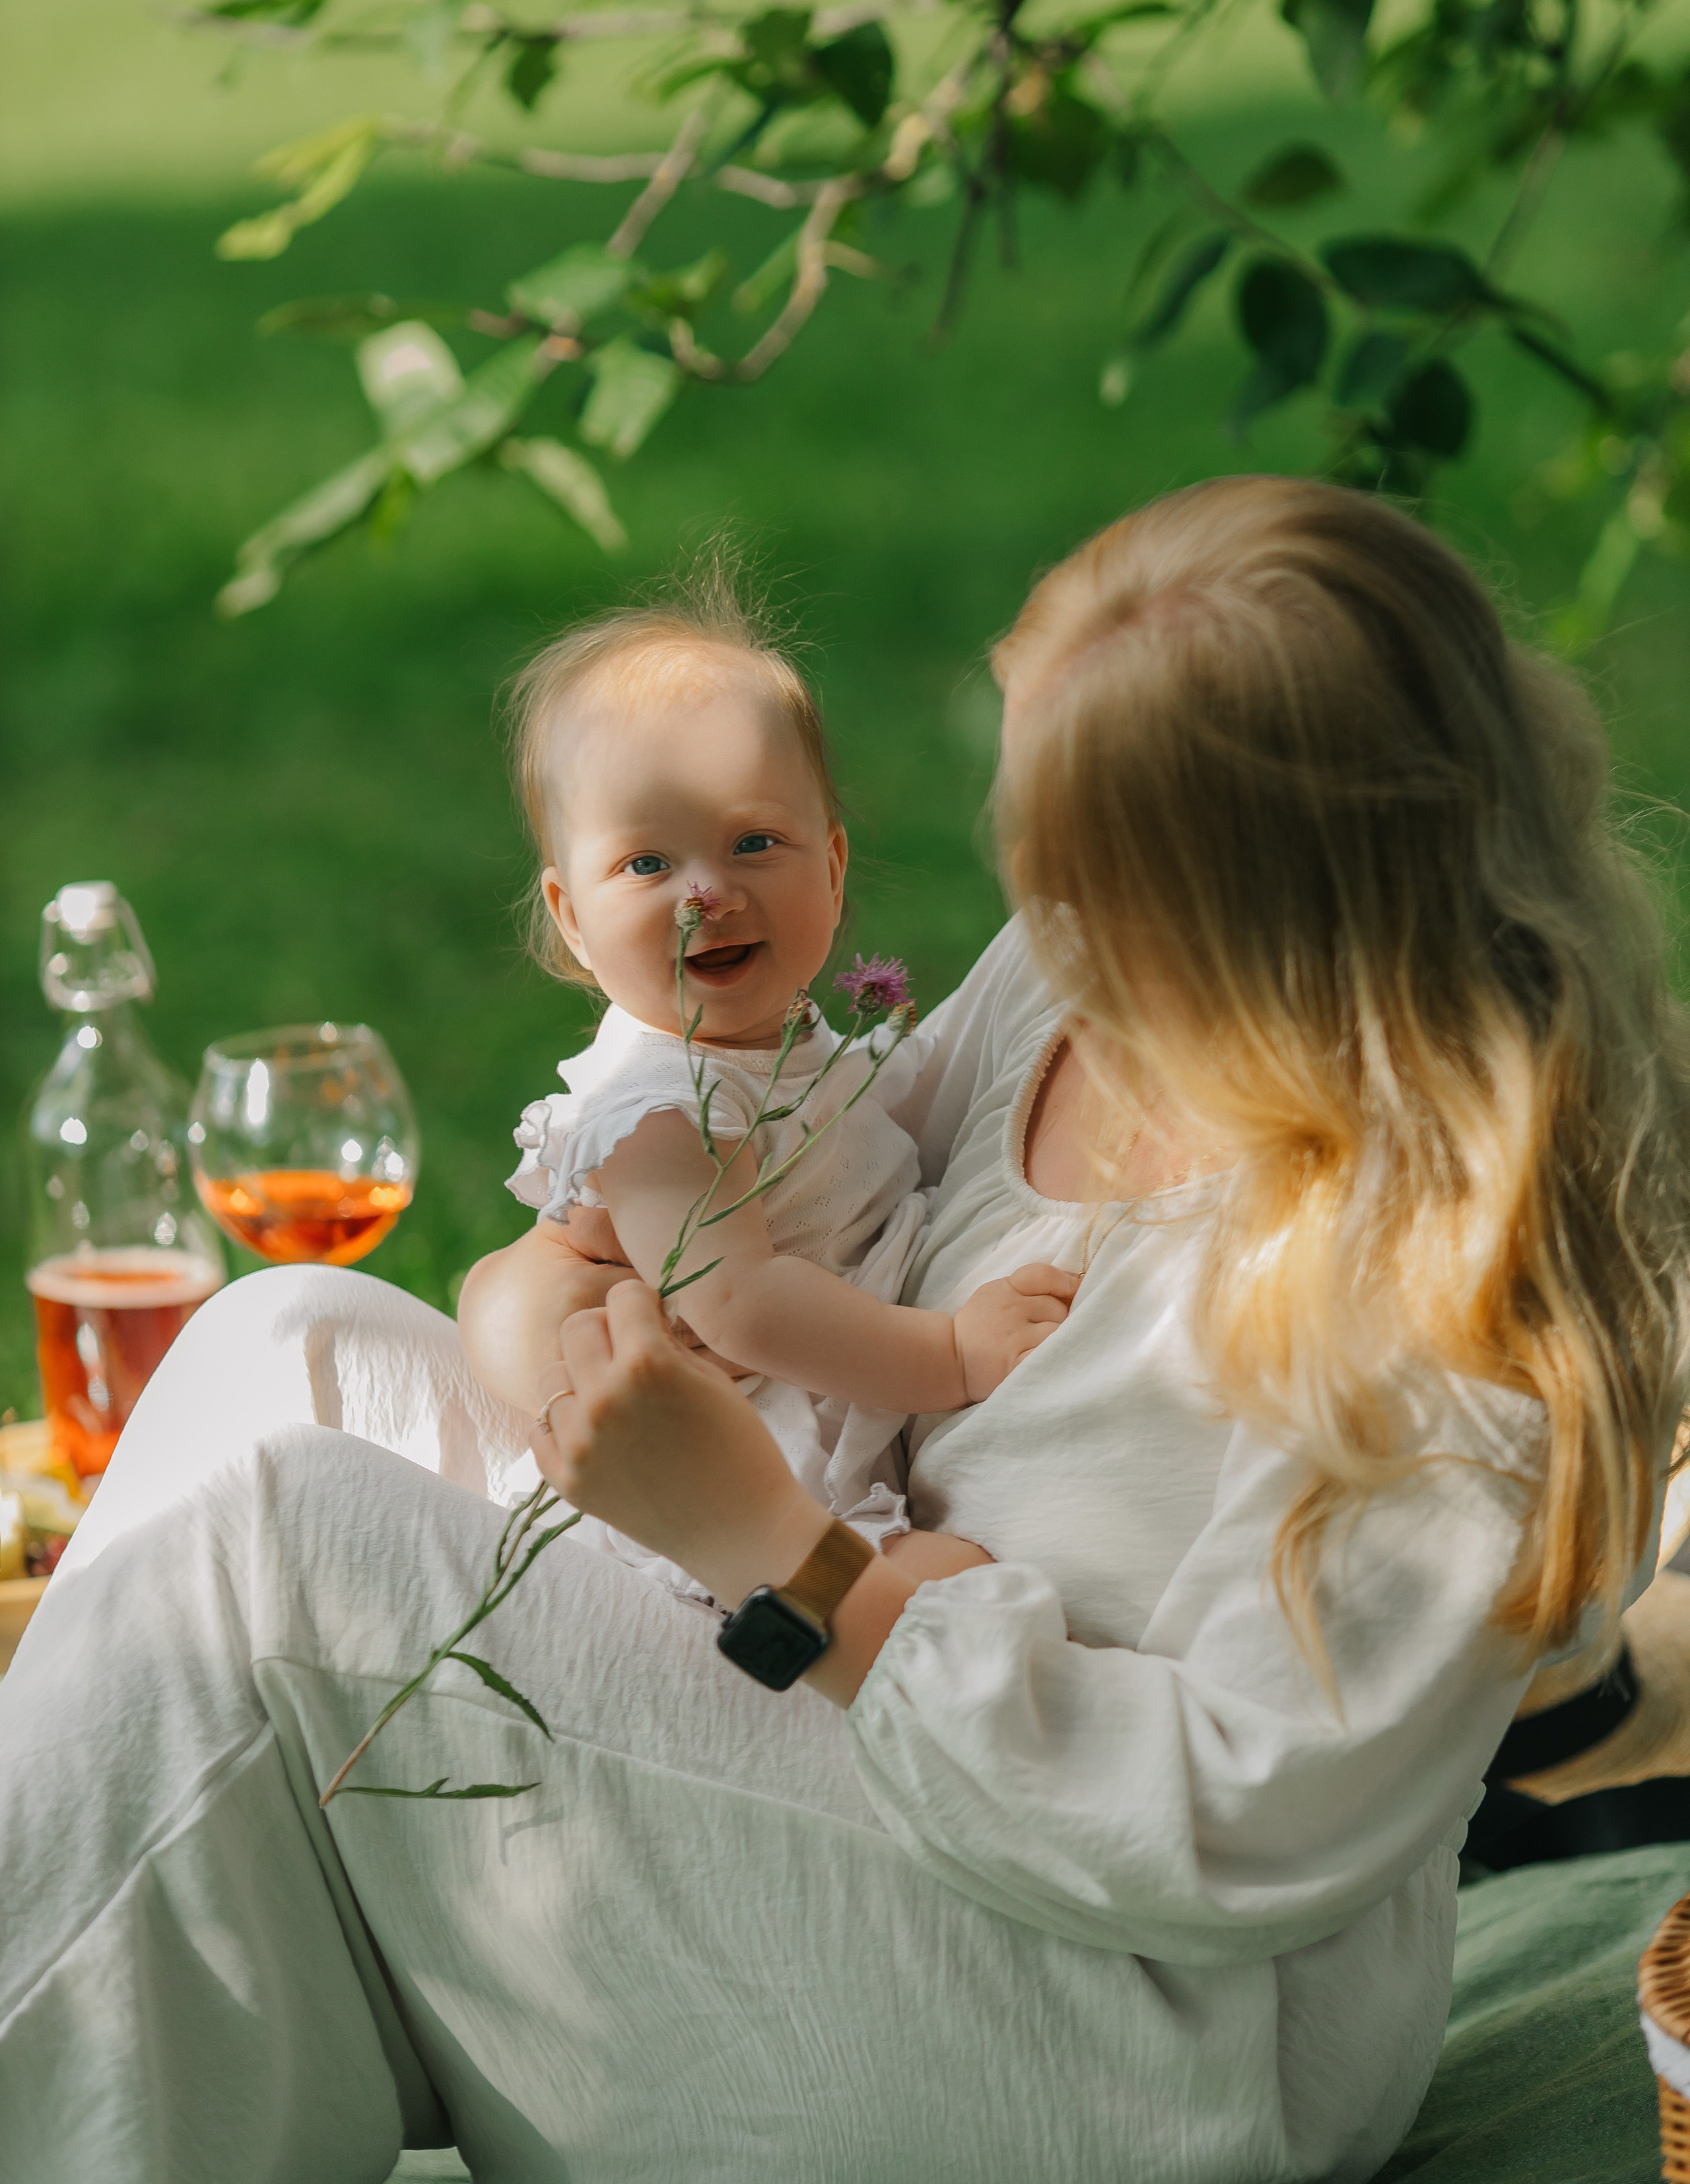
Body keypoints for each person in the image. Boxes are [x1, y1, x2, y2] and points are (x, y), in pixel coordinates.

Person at [3, 475, 1687, 2184]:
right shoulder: (1081, 976)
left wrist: (773, 1551)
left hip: (1127, 2017)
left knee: (285, 1558)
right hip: (859, 1700)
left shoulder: (1452, 1283)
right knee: (286, 1341)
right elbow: (796, 1188)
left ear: (1275, 903)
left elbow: (1223, 1830)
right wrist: (557, 1294)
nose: (1038, 890)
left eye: (1089, 859)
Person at [485, 585, 1075, 1598]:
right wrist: (951, 1355)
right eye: (646, 863)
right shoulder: (657, 1108)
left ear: (835, 872)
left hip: (813, 1425)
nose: (705, 891)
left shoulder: (787, 1049)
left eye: (753, 842)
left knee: (958, 1584)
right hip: (733, 1463)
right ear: (570, 917)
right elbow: (743, 1304)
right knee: (945, 1586)